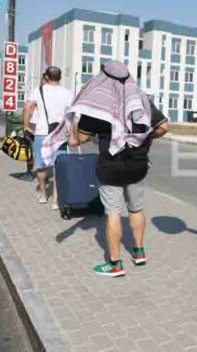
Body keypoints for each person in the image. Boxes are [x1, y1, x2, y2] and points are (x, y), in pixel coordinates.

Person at [43, 61, 168, 277]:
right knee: (136, 209)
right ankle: (139, 253)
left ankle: (115, 264)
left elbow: (80, 139)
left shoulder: (99, 105)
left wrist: (73, 128)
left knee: (113, 213)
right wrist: (143, 138)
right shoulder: (142, 99)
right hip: (138, 165)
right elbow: (163, 127)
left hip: (110, 167)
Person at [23, 66, 74, 209]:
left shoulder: (39, 90)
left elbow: (27, 107)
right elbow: (70, 115)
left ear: (46, 76)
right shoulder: (67, 93)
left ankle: (44, 195)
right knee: (58, 167)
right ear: (60, 77)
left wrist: (26, 125)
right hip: (60, 134)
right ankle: (55, 202)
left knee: (41, 165)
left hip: (41, 132)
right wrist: (71, 133)